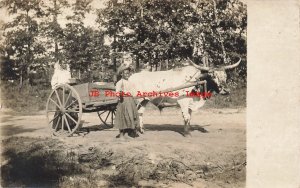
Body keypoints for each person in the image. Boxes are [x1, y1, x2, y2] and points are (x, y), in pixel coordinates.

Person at [115, 67, 140, 138]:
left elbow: (133, 92)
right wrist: (119, 94)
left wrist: (135, 97)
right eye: (125, 73)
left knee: (131, 115)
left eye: (128, 73)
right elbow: (117, 92)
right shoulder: (120, 82)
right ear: (122, 74)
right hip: (124, 101)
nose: (127, 75)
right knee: (123, 116)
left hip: (130, 100)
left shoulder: (130, 82)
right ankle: (122, 133)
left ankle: (131, 131)